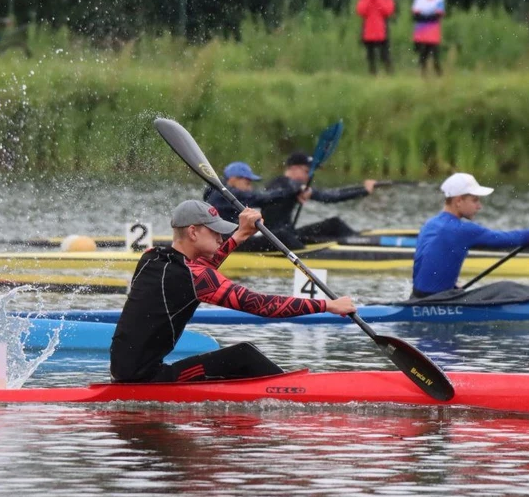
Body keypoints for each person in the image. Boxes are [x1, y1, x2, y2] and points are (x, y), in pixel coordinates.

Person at [110, 200, 356, 383]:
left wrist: (239, 236)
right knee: (244, 356)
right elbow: (259, 305)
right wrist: (328, 306)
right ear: (193, 232)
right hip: (147, 379)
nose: (220, 237)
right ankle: (298, 392)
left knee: (237, 359)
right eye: (214, 231)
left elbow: (198, 271)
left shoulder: (151, 257)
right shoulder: (193, 276)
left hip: (125, 370)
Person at [411, 173, 529, 297]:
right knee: (507, 288)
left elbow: (429, 264)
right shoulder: (462, 229)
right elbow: (511, 239)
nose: (479, 206)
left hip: (418, 297)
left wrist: (451, 286)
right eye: (475, 200)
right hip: (437, 301)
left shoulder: (430, 224)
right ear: (458, 201)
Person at [259, 151, 377, 247]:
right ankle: (361, 243)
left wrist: (363, 190)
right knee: (334, 225)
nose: (309, 176)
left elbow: (332, 194)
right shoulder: (280, 184)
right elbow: (330, 197)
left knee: (333, 224)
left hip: (290, 235)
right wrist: (299, 189)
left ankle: (357, 241)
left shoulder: (295, 186)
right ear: (294, 168)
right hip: (276, 239)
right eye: (306, 171)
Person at [203, 161, 302, 225]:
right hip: (226, 240)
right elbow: (264, 198)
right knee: (283, 235)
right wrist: (293, 190)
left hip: (226, 236)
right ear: (233, 179)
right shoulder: (228, 193)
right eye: (247, 183)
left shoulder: (216, 190)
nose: (250, 188)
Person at [356, 0, 395, 75]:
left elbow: (388, 11)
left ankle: (389, 73)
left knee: (385, 55)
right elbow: (361, 11)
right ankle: (372, 74)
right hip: (368, 31)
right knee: (370, 56)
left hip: (382, 31)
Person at [411, 0, 445, 76]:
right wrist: (430, 15)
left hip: (433, 31)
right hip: (421, 31)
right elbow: (416, 15)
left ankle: (439, 74)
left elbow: (438, 15)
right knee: (423, 54)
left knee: (435, 54)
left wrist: (425, 15)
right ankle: (423, 75)